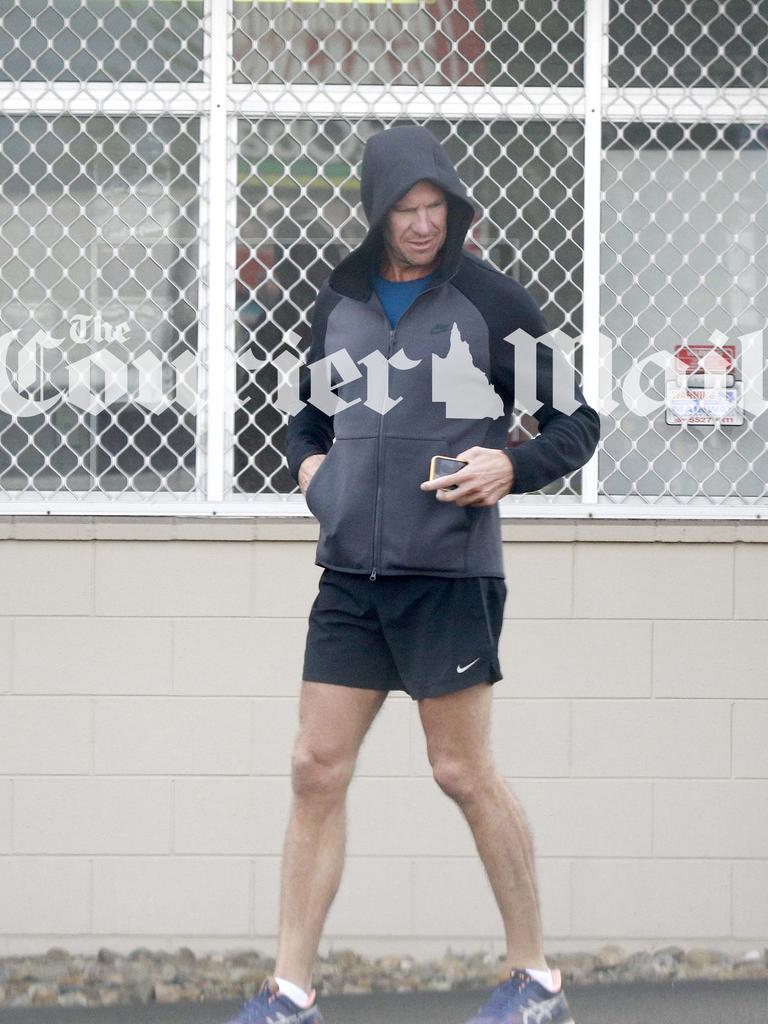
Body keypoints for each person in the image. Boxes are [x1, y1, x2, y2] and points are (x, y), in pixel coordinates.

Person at [225, 124, 600, 1024]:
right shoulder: (339, 299)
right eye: (409, 210)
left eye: (438, 208)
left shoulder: (491, 300)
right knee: (316, 767)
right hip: (351, 574)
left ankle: (534, 979)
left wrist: (514, 466)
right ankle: (289, 994)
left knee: (460, 771)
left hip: (450, 573)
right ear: (377, 212)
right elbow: (307, 419)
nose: (426, 225)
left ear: (454, 208)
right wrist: (313, 474)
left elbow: (577, 419)